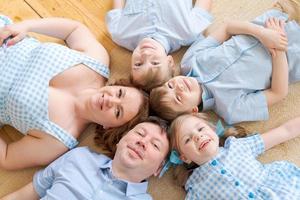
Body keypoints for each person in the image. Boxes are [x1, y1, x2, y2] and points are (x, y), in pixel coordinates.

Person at [0, 15, 149, 170]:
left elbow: (7, 157)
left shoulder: (57, 140)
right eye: (120, 93)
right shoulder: (96, 61)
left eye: (118, 112)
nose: (112, 100)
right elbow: (73, 30)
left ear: (110, 127)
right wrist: (27, 25)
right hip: (4, 34)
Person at [150, 0, 300, 124]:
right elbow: (278, 93)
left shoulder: (189, 61)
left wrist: (263, 33)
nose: (179, 87)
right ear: (192, 111)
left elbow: (228, 28)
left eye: (170, 85)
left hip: (276, 19)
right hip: (294, 54)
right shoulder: (232, 110)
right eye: (178, 97)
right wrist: (279, 45)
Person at [2, 117, 170, 200]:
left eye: (155, 145)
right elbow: (30, 192)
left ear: (158, 169)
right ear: (120, 140)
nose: (142, 142)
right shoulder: (79, 156)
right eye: (140, 133)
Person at [168, 113, 300, 199]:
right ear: (185, 158)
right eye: (187, 140)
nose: (197, 136)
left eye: (201, 129)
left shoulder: (237, 146)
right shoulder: (195, 188)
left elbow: (285, 131)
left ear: (213, 130)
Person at [106, 0, 214, 90]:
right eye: (155, 63)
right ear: (169, 61)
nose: (146, 54)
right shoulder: (188, 32)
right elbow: (203, 5)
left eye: (138, 64)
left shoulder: (120, 34)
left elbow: (117, 6)